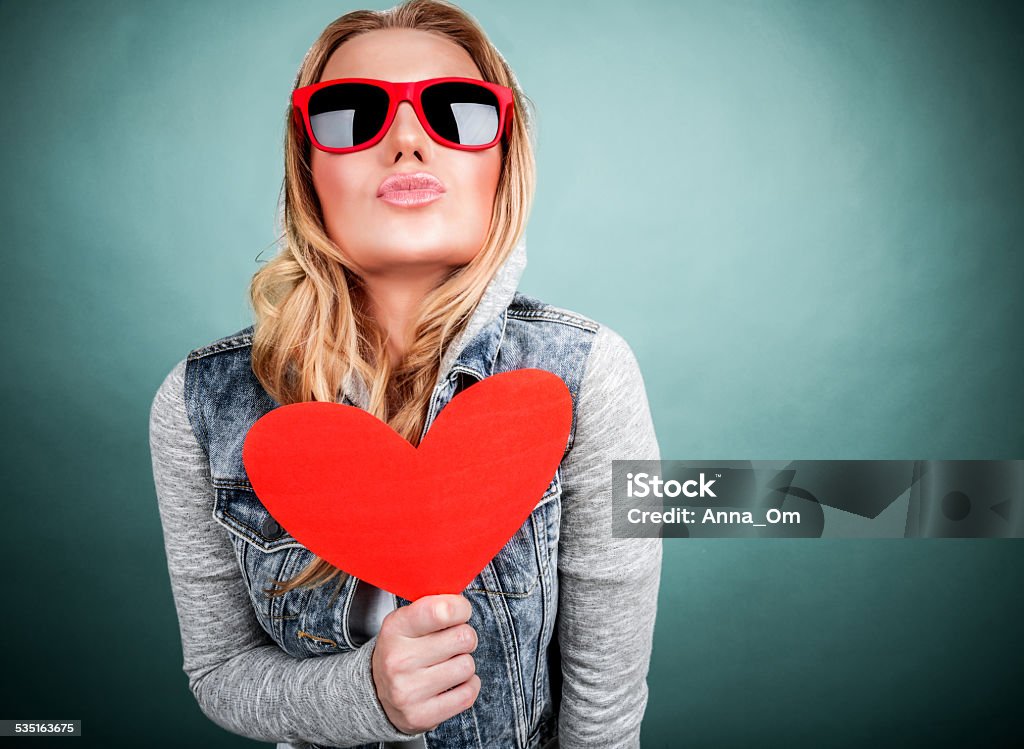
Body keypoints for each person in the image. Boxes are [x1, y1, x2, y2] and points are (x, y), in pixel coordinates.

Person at [148, 1, 662, 747]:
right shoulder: (198, 405)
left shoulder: (588, 375)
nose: (407, 140)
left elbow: (605, 708)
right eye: (352, 112)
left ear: (501, 157)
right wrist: (367, 695)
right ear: (308, 165)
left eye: (457, 110)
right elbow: (221, 671)